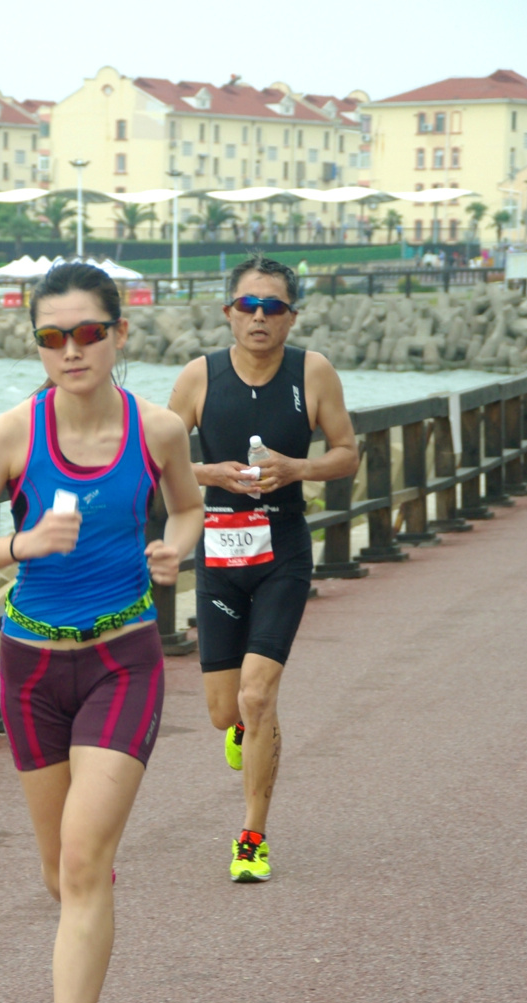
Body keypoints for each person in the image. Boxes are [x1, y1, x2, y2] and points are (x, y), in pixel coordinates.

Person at [0, 262, 203, 1003]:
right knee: (61, 874)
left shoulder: (157, 429)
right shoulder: (14, 434)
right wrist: (23, 545)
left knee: (84, 861)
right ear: (37, 346)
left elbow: (186, 511)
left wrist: (175, 550)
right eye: (53, 336)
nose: (72, 349)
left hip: (123, 661)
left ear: (119, 334)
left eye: (89, 331)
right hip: (30, 671)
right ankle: (89, 898)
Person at [169, 254, 358, 884]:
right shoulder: (199, 377)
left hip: (282, 553)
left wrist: (297, 468)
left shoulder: (314, 372)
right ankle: (245, 732)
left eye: (272, 307)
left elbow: (346, 453)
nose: (259, 317)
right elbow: (159, 459)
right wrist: (210, 473)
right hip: (220, 558)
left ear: (290, 316)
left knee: (258, 693)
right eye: (247, 306)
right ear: (227, 312)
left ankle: (252, 836)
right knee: (227, 712)